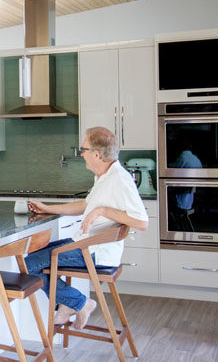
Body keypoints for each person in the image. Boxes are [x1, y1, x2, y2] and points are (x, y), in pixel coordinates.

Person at [25, 126, 148, 329]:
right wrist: (48, 208)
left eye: (83, 149)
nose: (81, 154)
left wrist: (103, 211)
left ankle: (80, 303)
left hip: (95, 252)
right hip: (84, 244)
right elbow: (84, 206)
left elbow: (142, 222)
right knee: (34, 256)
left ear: (97, 154)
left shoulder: (120, 180)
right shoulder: (104, 176)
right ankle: (67, 305)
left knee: (28, 265)